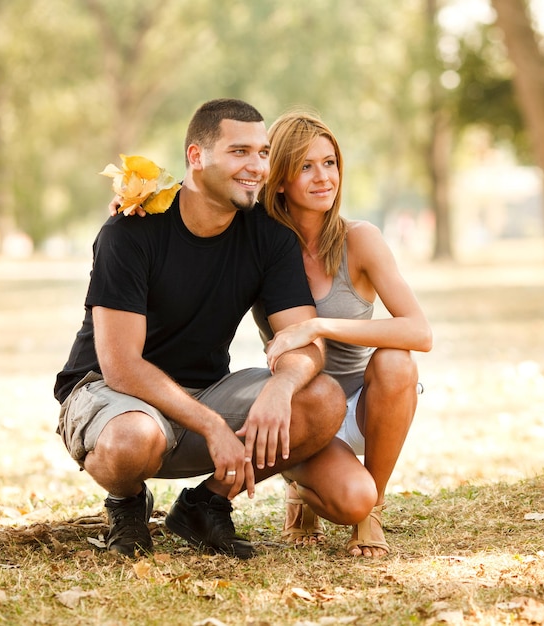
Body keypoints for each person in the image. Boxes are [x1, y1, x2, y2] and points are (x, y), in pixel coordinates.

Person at [54, 98, 347, 559]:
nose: (256, 167)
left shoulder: (269, 238)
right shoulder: (131, 231)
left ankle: (204, 505)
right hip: (108, 394)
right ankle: (127, 503)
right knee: (134, 439)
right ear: (196, 156)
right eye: (239, 152)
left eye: (263, 153)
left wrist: (282, 385)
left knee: (323, 397)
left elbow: (304, 339)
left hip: (202, 392)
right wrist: (212, 426)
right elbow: (122, 366)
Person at [253, 110, 432, 557]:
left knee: (396, 361)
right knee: (348, 497)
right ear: (279, 181)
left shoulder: (361, 239)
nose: (323, 177)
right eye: (306, 166)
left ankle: (375, 507)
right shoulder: (257, 246)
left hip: (363, 410)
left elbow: (419, 331)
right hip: (305, 409)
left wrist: (319, 324)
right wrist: (140, 211)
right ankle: (302, 488)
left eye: (330, 163)